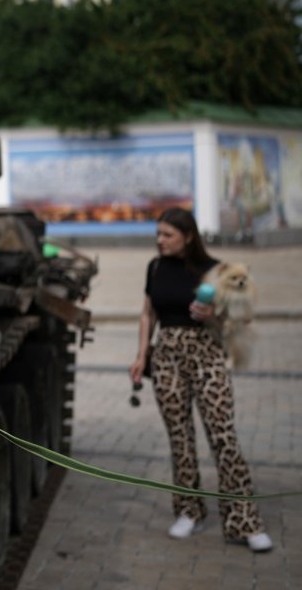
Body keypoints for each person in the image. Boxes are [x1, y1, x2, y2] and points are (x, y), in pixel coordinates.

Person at [129, 207, 272, 551]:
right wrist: (141, 354)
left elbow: (243, 318)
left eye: (167, 235)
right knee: (180, 438)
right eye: (158, 234)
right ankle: (189, 511)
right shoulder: (156, 266)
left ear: (188, 236)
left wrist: (215, 313)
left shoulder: (216, 270)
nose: (159, 241)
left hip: (207, 354)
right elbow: (148, 313)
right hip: (167, 357)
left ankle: (245, 520)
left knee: (223, 436)